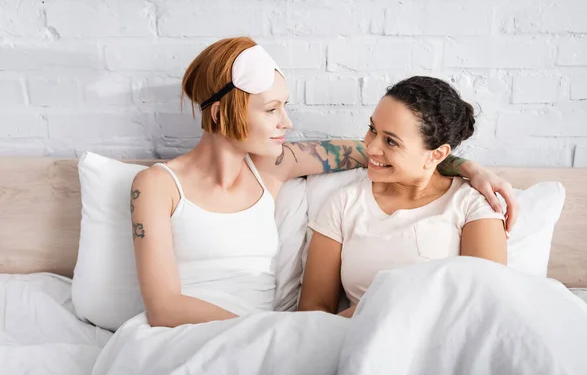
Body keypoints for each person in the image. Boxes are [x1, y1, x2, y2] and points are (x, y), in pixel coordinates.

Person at [129, 37, 517, 328]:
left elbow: (396, 156)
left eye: (285, 106)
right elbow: (163, 307)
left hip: (264, 338)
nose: (287, 122)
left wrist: (469, 169)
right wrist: (266, 333)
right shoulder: (154, 186)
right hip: (201, 333)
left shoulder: (272, 167)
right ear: (218, 113)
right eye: (271, 109)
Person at [299, 76, 508, 318]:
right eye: (372, 129)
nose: (371, 148)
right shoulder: (345, 203)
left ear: (436, 155)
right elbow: (312, 312)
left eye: (391, 141)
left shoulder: (471, 205)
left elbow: (486, 306)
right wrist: (376, 315)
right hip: (358, 340)